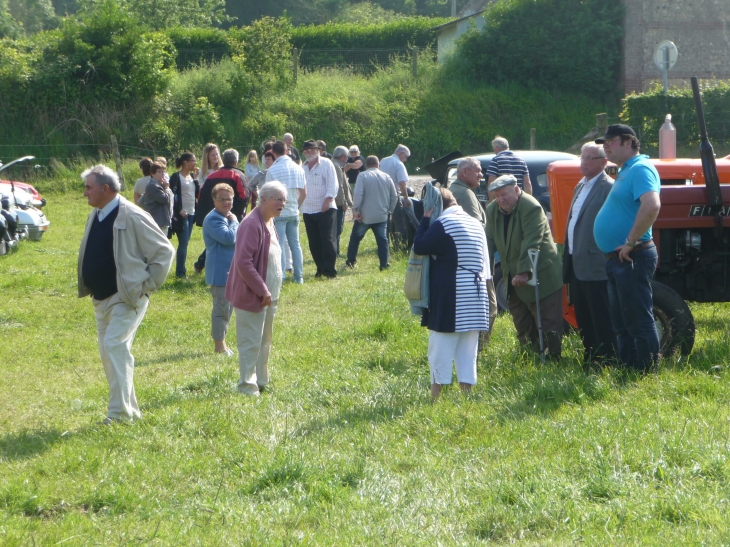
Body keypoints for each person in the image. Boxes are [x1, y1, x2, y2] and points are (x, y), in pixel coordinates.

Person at [78, 165, 174, 424]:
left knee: (115, 346)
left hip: (126, 297)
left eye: (88, 187)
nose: (84, 193)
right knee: (110, 353)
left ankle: (119, 415)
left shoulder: (131, 214)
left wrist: (145, 287)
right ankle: (129, 410)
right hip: (100, 299)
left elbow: (164, 252)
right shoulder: (96, 214)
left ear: (105, 189)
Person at [594, 124, 661, 371]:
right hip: (619, 259)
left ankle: (645, 373)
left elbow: (652, 205)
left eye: (610, 141)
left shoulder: (641, 168)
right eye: (604, 143)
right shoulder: (626, 170)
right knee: (622, 322)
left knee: (637, 319)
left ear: (628, 142)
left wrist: (631, 241)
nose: (605, 147)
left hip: (633, 256)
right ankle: (628, 372)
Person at [413, 188, 489, 399]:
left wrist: (425, 220)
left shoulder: (444, 224)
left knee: (439, 347)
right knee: (468, 350)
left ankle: (435, 396)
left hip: (452, 294)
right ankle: (466, 395)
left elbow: (419, 245)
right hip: (477, 293)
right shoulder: (475, 223)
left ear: (435, 206)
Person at [485, 175, 564, 360]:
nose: (500, 200)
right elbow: (488, 240)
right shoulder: (492, 210)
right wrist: (480, 266)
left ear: (517, 190)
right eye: (496, 196)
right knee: (521, 320)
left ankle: (553, 359)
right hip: (512, 276)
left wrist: (523, 271)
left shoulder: (531, 206)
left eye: (504, 194)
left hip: (541, 274)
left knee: (547, 320)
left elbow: (531, 240)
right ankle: (529, 356)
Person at [226, 181, 288, 396]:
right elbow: (244, 262)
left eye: (284, 200)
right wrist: (262, 290)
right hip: (254, 294)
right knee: (250, 341)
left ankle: (261, 380)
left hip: (270, 294)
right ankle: (246, 385)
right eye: (278, 199)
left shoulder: (269, 221)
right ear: (263, 199)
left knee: (265, 339)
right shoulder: (251, 224)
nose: (283, 203)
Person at [562, 143, 617, 363]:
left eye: (590, 158)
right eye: (582, 157)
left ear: (604, 162)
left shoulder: (608, 187)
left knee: (600, 315)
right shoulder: (580, 185)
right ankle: (591, 356)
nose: (584, 162)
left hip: (596, 263)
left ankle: (607, 359)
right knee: (583, 315)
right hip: (576, 262)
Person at [450, 157, 497, 349]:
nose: (482, 175)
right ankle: (480, 349)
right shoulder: (465, 193)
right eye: (477, 171)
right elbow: (477, 229)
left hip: (461, 263)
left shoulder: (454, 190)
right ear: (464, 172)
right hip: (477, 264)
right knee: (490, 308)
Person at [194, 149, 249, 273]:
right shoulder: (238, 175)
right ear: (236, 161)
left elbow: (201, 195)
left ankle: (200, 264)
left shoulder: (212, 175)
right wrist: (239, 214)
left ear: (223, 160)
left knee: (216, 241)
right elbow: (244, 196)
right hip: (231, 214)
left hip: (213, 213)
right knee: (231, 240)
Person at [203, 183, 240, 356]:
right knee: (221, 309)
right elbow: (228, 238)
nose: (226, 202)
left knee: (227, 309)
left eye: (229, 199)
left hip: (229, 271)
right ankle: (219, 346)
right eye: (222, 199)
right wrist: (235, 222)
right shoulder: (213, 219)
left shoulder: (225, 216)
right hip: (220, 272)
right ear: (214, 200)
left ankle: (222, 342)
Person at [345, 155, 397, 271]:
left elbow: (358, 194)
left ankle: (351, 261)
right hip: (381, 214)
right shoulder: (387, 177)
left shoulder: (362, 176)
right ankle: (384, 264)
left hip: (364, 216)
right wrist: (390, 211)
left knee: (355, 238)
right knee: (382, 240)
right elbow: (394, 196)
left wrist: (356, 210)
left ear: (366, 165)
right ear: (378, 165)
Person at [266, 140, 306, 284]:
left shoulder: (272, 170)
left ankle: (281, 275)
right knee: (295, 244)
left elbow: (268, 194)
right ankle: (299, 277)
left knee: (280, 244)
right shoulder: (298, 168)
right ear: (287, 151)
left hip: (279, 212)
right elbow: (304, 192)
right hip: (293, 211)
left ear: (274, 153)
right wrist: (296, 206)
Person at [300, 139, 339, 278]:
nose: (308, 152)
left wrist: (328, 200)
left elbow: (333, 184)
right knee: (314, 242)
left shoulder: (326, 163)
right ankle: (320, 269)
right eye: (306, 150)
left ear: (318, 151)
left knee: (327, 240)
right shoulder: (302, 167)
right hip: (308, 209)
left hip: (325, 208)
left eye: (311, 149)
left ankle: (330, 271)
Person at [169, 152, 199, 278]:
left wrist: (196, 179)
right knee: (183, 243)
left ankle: (181, 271)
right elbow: (172, 196)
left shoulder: (192, 176)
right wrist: (179, 210)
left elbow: (197, 193)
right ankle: (180, 273)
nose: (195, 163)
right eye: (193, 161)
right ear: (185, 162)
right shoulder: (176, 177)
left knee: (185, 242)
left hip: (191, 213)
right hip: (182, 214)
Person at [331, 145, 354, 255]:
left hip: (335, 202)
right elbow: (339, 186)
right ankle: (335, 251)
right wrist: (343, 202)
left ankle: (336, 250)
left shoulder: (336, 165)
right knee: (337, 229)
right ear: (343, 156)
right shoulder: (336, 166)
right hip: (337, 203)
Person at [141, 162, 173, 232]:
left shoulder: (159, 185)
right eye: (159, 171)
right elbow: (165, 199)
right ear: (152, 173)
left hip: (160, 222)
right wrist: (167, 188)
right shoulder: (153, 185)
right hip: (157, 222)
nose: (163, 174)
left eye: (164, 171)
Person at [379, 144, 411, 208]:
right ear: (402, 153)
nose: (405, 160)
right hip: (393, 194)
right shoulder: (399, 164)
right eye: (406, 157)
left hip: (381, 194)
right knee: (398, 216)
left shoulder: (382, 160)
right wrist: (406, 199)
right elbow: (402, 183)